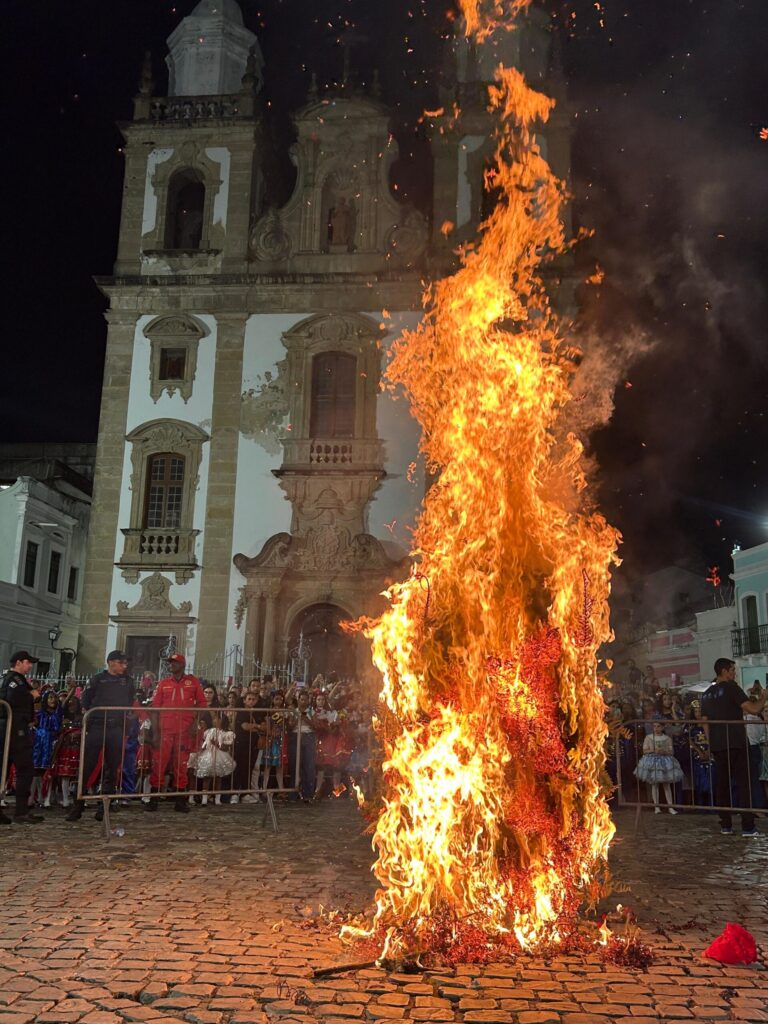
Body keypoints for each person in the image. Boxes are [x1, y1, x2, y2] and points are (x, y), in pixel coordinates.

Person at [701, 658, 767, 837]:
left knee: (723, 785)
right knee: (744, 784)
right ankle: (747, 826)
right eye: (732, 670)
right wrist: (764, 697)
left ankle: (726, 825)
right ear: (724, 671)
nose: (734, 673)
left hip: (718, 745)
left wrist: (710, 743)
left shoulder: (706, 694)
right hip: (737, 742)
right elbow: (752, 709)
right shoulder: (732, 688)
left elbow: (704, 722)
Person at [66, 650, 135, 822]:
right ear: (110, 662)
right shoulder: (97, 679)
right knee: (87, 765)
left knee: (112, 767)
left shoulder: (128, 681)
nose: (124, 666)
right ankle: (78, 804)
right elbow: (86, 701)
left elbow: (129, 701)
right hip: (97, 726)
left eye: (125, 663)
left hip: (115, 727)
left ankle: (104, 806)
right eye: (121, 663)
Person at [145, 653, 207, 813]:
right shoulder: (163, 683)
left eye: (175, 662)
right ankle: (154, 799)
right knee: (159, 764)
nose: (171, 665)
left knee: (181, 765)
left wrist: (195, 723)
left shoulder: (193, 682)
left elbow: (202, 704)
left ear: (182, 664)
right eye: (170, 662)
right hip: (165, 730)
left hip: (184, 731)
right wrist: (156, 732)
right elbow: (155, 708)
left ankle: (180, 801)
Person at [0, 651, 44, 824]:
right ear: (18, 662)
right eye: (28, 662)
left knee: (4, 768)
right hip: (15, 728)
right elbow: (13, 701)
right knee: (25, 768)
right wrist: (31, 695)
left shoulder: (13, 679)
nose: (30, 666)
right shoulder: (16, 681)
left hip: (10, 728)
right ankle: (21, 811)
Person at [634, 718, 683, 813]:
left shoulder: (667, 738)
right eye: (654, 726)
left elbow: (671, 751)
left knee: (666, 784)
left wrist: (664, 751)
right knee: (655, 784)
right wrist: (653, 750)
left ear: (663, 727)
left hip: (665, 761)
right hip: (652, 761)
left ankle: (670, 807)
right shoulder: (649, 737)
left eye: (658, 726)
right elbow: (644, 750)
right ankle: (656, 807)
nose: (656, 728)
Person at [31, 690, 63, 807]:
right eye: (50, 698)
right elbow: (33, 723)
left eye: (54, 697)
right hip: (39, 744)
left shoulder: (58, 713)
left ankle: (46, 798)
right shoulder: (40, 714)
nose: (52, 700)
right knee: (36, 770)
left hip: (52, 743)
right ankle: (35, 796)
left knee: (49, 772)